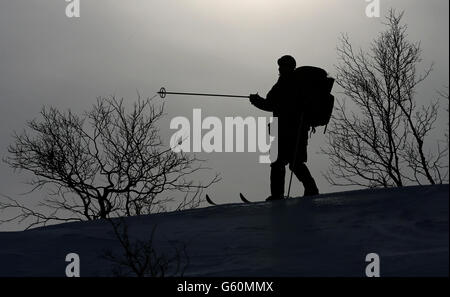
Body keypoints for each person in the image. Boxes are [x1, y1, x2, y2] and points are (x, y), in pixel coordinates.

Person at [249, 55, 319, 201]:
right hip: (287, 129)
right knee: (287, 163)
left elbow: (271, 104)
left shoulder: (290, 83)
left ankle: (286, 193)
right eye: (280, 66)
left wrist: (256, 101)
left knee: (288, 163)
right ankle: (303, 190)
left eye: (283, 66)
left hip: (291, 129)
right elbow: (272, 103)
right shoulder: (285, 83)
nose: (280, 68)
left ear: (289, 67)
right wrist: (258, 101)